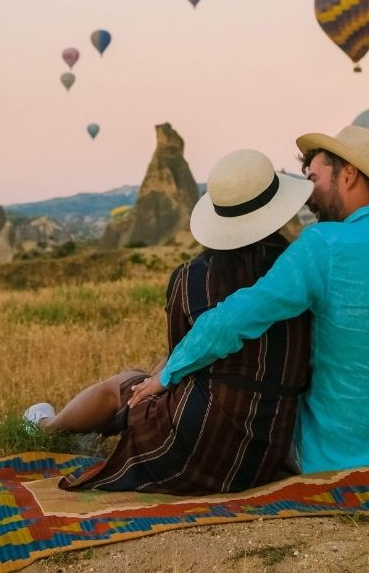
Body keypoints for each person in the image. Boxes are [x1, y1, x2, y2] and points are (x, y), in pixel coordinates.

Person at [129, 125, 369, 474]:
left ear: (349, 174)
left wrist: (167, 374)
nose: (309, 194)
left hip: (340, 455)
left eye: (314, 177)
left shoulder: (324, 243)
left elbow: (238, 315)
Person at [23, 149, 315, 494]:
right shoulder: (302, 273)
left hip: (192, 448)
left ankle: (46, 426)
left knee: (129, 384)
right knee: (147, 383)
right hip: (265, 449)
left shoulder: (193, 277)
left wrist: (152, 381)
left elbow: (182, 353)